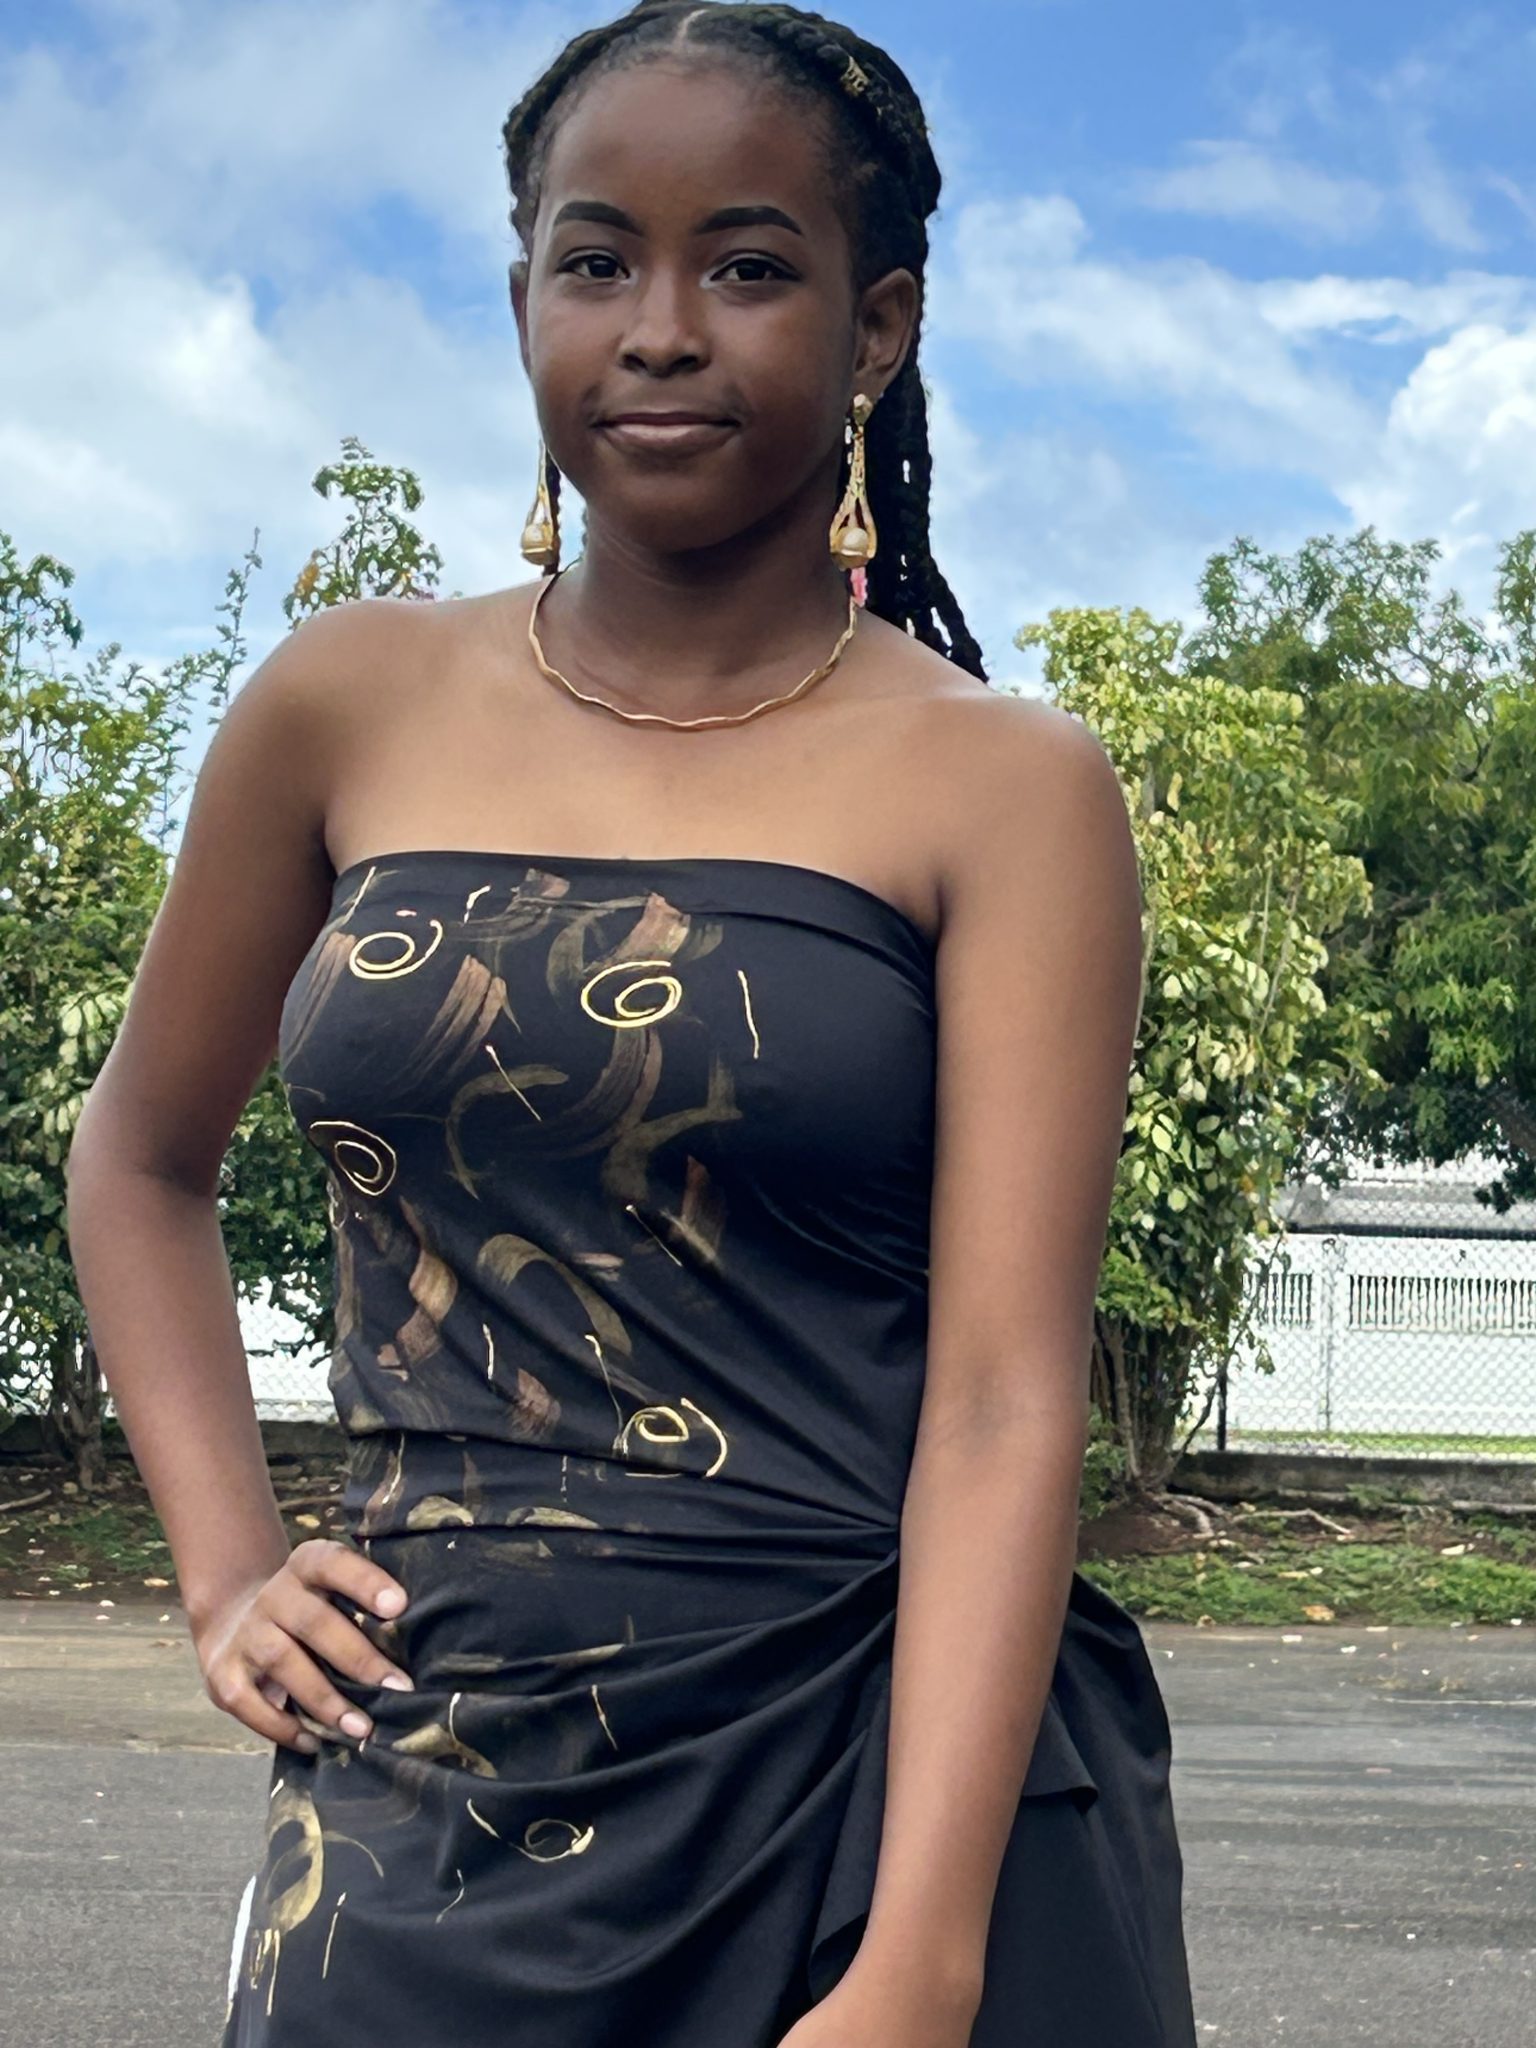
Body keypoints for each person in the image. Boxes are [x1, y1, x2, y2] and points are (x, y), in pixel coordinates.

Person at [63, 3, 1196, 2043]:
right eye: (598, 263)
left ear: (878, 327)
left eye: (748, 267)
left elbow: (1003, 1395)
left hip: (861, 1781)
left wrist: (922, 1958)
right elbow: (138, 1158)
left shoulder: (1008, 789)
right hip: (427, 1774)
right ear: (525, 302)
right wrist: (228, 1573)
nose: (661, 330)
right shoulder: (341, 705)